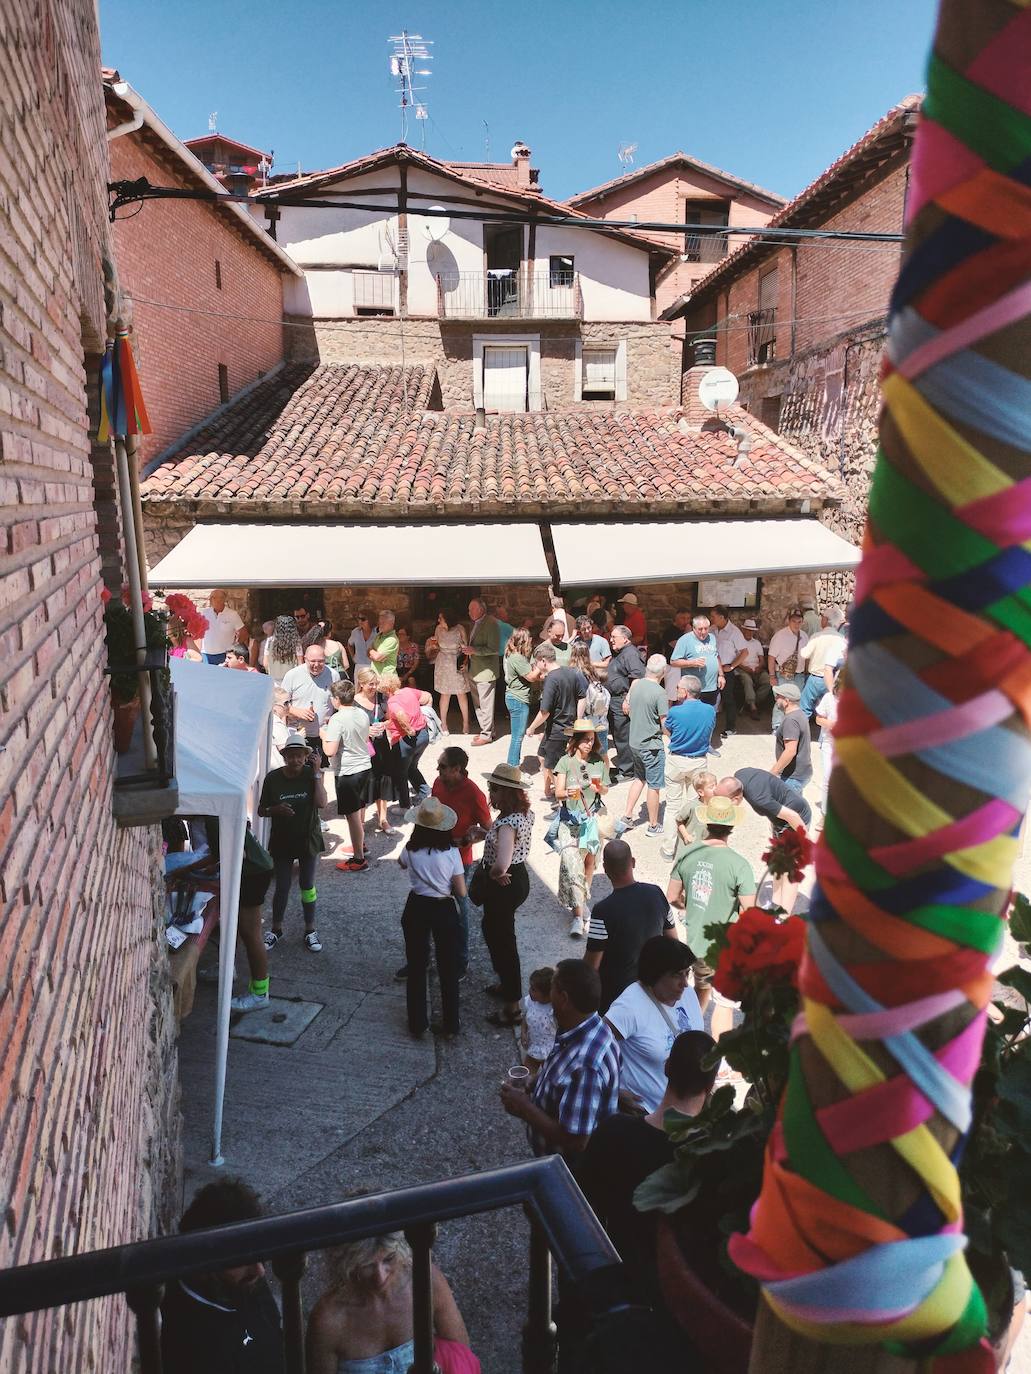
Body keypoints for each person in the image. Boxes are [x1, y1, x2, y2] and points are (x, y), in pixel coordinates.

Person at [577, 1030, 717, 1296]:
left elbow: (583, 1209)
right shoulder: (709, 1157)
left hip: (614, 1281)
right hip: (676, 1297)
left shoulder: (613, 1132)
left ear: (666, 1067)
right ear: (710, 1087)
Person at [500, 959, 620, 1163]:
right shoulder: (585, 1027)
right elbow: (564, 1078)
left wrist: (524, 1106)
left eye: (552, 989)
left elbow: (575, 1140)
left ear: (563, 999)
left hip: (565, 1168)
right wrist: (534, 1082)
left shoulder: (586, 1065)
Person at [161, 1178, 284, 1374]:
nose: (260, 1270)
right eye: (244, 1259)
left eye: (260, 1253)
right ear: (204, 1261)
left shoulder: (238, 1284)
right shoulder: (193, 1344)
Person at [306, 1233, 476, 1374]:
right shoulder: (328, 1319)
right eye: (367, 1265)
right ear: (348, 1263)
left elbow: (461, 1356)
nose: (380, 1276)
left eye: (389, 1258)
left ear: (402, 1249)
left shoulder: (425, 1281)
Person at [666, 796, 756, 1024]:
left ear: (707, 823)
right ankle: (692, 1031)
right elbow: (751, 911)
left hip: (695, 937)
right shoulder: (739, 865)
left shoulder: (687, 854)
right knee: (710, 995)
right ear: (732, 827)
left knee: (699, 984)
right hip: (723, 945)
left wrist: (691, 907)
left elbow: (672, 896)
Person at [604, 938, 703, 1114]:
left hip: (685, 1111)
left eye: (686, 973)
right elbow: (591, 1049)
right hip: (646, 1115)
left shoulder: (686, 994)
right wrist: (614, 1091)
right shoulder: (629, 1007)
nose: (685, 983)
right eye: (676, 975)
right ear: (655, 974)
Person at [397, 797, 466, 1039]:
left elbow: (401, 864)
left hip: (416, 905)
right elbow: (461, 891)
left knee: (416, 965)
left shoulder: (410, 848)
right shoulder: (451, 854)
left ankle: (417, 1023)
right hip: (442, 907)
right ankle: (450, 1024)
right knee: (448, 967)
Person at [585, 840, 678, 1012]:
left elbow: (591, 966)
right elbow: (673, 941)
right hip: (653, 989)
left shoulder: (602, 911)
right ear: (633, 862)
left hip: (617, 998)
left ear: (605, 868)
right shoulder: (656, 893)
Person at [257, 732, 327, 953]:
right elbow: (261, 810)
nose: (296, 760)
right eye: (291, 756)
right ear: (285, 756)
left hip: (308, 838)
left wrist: (316, 774)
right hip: (282, 839)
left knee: (307, 885)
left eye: (300, 756)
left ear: (306, 757)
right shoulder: (273, 778)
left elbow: (322, 803)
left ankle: (310, 929)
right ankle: (276, 929)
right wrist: (275, 810)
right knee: (282, 886)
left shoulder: (311, 774)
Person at [479, 763, 535, 1028]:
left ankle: (512, 1007)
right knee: (496, 934)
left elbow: (501, 863)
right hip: (519, 877)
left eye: (495, 789)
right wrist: (484, 835)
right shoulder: (524, 814)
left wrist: (492, 874)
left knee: (502, 942)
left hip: (505, 883)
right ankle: (505, 984)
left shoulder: (507, 822)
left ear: (507, 792)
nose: (491, 794)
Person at [430, 746, 492, 979]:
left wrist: (467, 839)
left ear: (457, 769)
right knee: (431, 905)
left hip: (459, 861)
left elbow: (490, 830)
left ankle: (461, 960)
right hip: (434, 855)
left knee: (459, 910)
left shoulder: (473, 792)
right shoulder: (438, 783)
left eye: (443, 766)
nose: (438, 770)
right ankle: (430, 957)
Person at [715, 770, 811, 911]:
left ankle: (783, 917)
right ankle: (776, 902)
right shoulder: (740, 775)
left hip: (796, 819)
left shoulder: (759, 798)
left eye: (724, 802)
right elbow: (769, 780)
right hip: (781, 820)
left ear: (735, 799)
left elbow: (792, 816)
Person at [554, 721, 610, 939]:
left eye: (592, 739)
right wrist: (568, 792)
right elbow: (557, 793)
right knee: (573, 863)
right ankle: (578, 916)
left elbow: (605, 790)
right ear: (575, 740)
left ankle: (582, 901)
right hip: (570, 821)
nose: (589, 743)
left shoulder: (598, 761)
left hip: (591, 819)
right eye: (585, 739)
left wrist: (599, 788)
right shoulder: (565, 762)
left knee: (588, 862)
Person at [659, 675, 716, 860]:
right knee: (696, 805)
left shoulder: (675, 711)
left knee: (672, 806)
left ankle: (668, 849)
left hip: (677, 760)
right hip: (698, 761)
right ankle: (693, 845)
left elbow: (667, 731)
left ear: (685, 691)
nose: (676, 690)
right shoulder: (710, 710)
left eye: (678, 687)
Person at [527, 643, 588, 804]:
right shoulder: (571, 672)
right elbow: (582, 697)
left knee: (557, 769)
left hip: (557, 729)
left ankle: (565, 802)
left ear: (543, 660)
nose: (536, 666)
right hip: (566, 727)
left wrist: (531, 728)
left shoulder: (551, 679)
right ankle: (551, 792)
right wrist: (578, 719)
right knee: (543, 757)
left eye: (536, 663)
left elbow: (544, 711)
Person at [615, 654, 668, 838]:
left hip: (635, 742)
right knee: (654, 785)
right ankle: (653, 825)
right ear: (664, 671)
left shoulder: (636, 685)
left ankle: (628, 816)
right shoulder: (660, 693)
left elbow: (628, 708)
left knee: (639, 778)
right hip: (651, 745)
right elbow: (665, 724)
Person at [322, 680, 372, 873]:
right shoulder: (361, 712)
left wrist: (322, 733)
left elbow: (330, 751)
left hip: (348, 771)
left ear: (336, 699)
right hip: (364, 766)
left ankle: (358, 859)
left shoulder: (337, 719)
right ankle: (360, 845)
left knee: (351, 816)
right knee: (359, 810)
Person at [353, 666, 395, 836]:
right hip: (362, 748)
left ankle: (383, 819)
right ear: (361, 684)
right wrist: (366, 731)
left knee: (382, 781)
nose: (374, 687)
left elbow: (391, 719)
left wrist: (382, 725)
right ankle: (360, 822)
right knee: (364, 783)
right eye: (370, 684)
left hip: (381, 746)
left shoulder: (381, 697)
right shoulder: (354, 701)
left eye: (375, 683)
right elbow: (349, 726)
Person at [380, 672, 431, 810]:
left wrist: (408, 729)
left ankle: (404, 806)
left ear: (387, 689)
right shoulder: (409, 691)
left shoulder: (393, 701)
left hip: (406, 740)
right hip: (423, 735)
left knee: (400, 773)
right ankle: (426, 792)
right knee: (411, 767)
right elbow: (427, 697)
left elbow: (400, 714)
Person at [282, 645, 339, 764]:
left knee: (322, 773)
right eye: (312, 661)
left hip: (323, 735)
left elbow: (338, 702)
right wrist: (296, 711)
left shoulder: (333, 675)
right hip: (299, 734)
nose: (316, 665)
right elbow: (280, 704)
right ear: (305, 659)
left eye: (321, 661)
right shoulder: (292, 675)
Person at [606, 625, 644, 781]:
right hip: (615, 699)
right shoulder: (621, 653)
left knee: (623, 734)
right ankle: (624, 766)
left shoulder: (630, 654)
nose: (611, 640)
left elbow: (637, 677)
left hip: (622, 699)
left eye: (614, 637)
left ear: (625, 638)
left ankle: (628, 771)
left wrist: (627, 699)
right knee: (618, 733)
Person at [670, 614, 723, 721]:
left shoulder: (712, 638)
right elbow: (673, 661)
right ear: (693, 628)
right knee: (691, 717)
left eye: (706, 629)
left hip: (711, 687)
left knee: (708, 716)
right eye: (700, 629)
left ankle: (706, 737)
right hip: (693, 688)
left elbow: (716, 656)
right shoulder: (684, 640)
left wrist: (721, 675)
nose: (703, 632)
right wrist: (692, 663)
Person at [461, 598, 500, 745]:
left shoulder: (491, 624)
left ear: (481, 609)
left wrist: (474, 650)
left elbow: (494, 648)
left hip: (485, 671)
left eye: (472, 609)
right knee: (479, 704)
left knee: (486, 704)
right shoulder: (477, 623)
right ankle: (488, 730)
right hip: (475, 670)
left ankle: (486, 734)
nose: (469, 612)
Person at [798, 604, 847, 717]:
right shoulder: (841, 639)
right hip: (832, 680)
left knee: (804, 709)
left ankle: (801, 733)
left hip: (815, 679)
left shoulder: (817, 636)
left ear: (825, 620)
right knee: (828, 711)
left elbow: (804, 654)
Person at [428, 608, 471, 734]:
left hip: (456, 661)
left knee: (461, 694)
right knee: (444, 693)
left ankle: (465, 723)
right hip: (443, 662)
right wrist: (432, 645)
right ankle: (444, 724)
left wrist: (465, 662)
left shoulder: (459, 629)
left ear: (447, 619)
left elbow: (466, 648)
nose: (438, 620)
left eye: (440, 618)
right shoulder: (438, 629)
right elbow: (436, 643)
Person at [502, 627, 539, 768]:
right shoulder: (517, 657)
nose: (531, 641)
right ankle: (513, 767)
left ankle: (513, 766)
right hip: (518, 700)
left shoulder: (515, 655)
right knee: (517, 737)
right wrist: (540, 667)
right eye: (529, 639)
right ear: (524, 641)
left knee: (517, 735)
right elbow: (530, 677)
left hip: (514, 698)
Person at [767, 608, 808, 730]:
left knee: (796, 701)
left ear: (802, 622)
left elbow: (806, 657)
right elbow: (771, 657)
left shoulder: (804, 636)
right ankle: (777, 726)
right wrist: (772, 676)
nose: (796, 624)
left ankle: (792, 726)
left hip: (799, 674)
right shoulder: (780, 636)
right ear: (789, 621)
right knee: (781, 701)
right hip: (782, 674)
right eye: (794, 621)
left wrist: (806, 672)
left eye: (799, 621)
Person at [710, 605, 748, 736]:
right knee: (710, 697)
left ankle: (730, 727)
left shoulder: (734, 632)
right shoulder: (712, 629)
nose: (711, 619)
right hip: (712, 668)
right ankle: (708, 725)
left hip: (726, 669)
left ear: (721, 617)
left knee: (728, 698)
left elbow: (744, 652)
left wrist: (732, 666)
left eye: (713, 616)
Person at [770, 681, 813, 793]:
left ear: (787, 701)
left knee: (787, 809)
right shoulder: (799, 714)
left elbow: (790, 751)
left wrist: (773, 772)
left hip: (793, 777)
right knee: (796, 808)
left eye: (778, 696)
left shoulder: (791, 720)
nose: (776, 699)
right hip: (801, 774)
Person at [570, 641, 611, 756]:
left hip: (582, 717)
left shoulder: (572, 673)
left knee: (581, 749)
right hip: (598, 717)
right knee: (601, 751)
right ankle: (603, 772)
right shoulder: (593, 671)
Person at [521, 965, 558, 1074]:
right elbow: (525, 1017)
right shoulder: (531, 1002)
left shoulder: (553, 1010)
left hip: (550, 1050)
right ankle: (525, 1088)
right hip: (534, 1046)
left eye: (533, 989)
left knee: (549, 1074)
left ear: (547, 995)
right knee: (526, 1073)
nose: (529, 991)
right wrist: (523, 1032)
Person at [816, 673, 842, 814]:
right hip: (830, 743)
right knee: (828, 776)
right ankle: (826, 812)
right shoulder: (829, 698)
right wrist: (831, 724)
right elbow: (818, 719)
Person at [200, 589, 245, 665]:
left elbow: (243, 633)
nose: (216, 600)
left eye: (219, 597)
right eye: (213, 598)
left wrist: (234, 647)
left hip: (224, 655)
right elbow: (198, 632)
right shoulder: (204, 613)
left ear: (224, 599)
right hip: (205, 654)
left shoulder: (232, 614)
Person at [737, 618, 770, 719]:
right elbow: (735, 661)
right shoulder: (738, 642)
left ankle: (752, 702)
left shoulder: (757, 643)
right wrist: (745, 668)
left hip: (757, 669)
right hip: (743, 668)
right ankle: (753, 707)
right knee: (747, 680)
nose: (749, 632)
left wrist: (759, 667)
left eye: (751, 631)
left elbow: (762, 660)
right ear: (743, 630)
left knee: (768, 681)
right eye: (747, 630)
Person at [264, 615, 303, 684]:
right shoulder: (296, 643)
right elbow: (300, 664)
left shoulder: (269, 641)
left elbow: (265, 663)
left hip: (274, 681)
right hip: (292, 681)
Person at [368, 609, 400, 678]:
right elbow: (368, 653)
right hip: (376, 678)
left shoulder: (392, 640)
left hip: (386, 679)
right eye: (379, 622)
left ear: (391, 623)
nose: (380, 624)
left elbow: (376, 657)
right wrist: (371, 652)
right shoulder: (378, 636)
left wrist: (371, 652)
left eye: (383, 622)